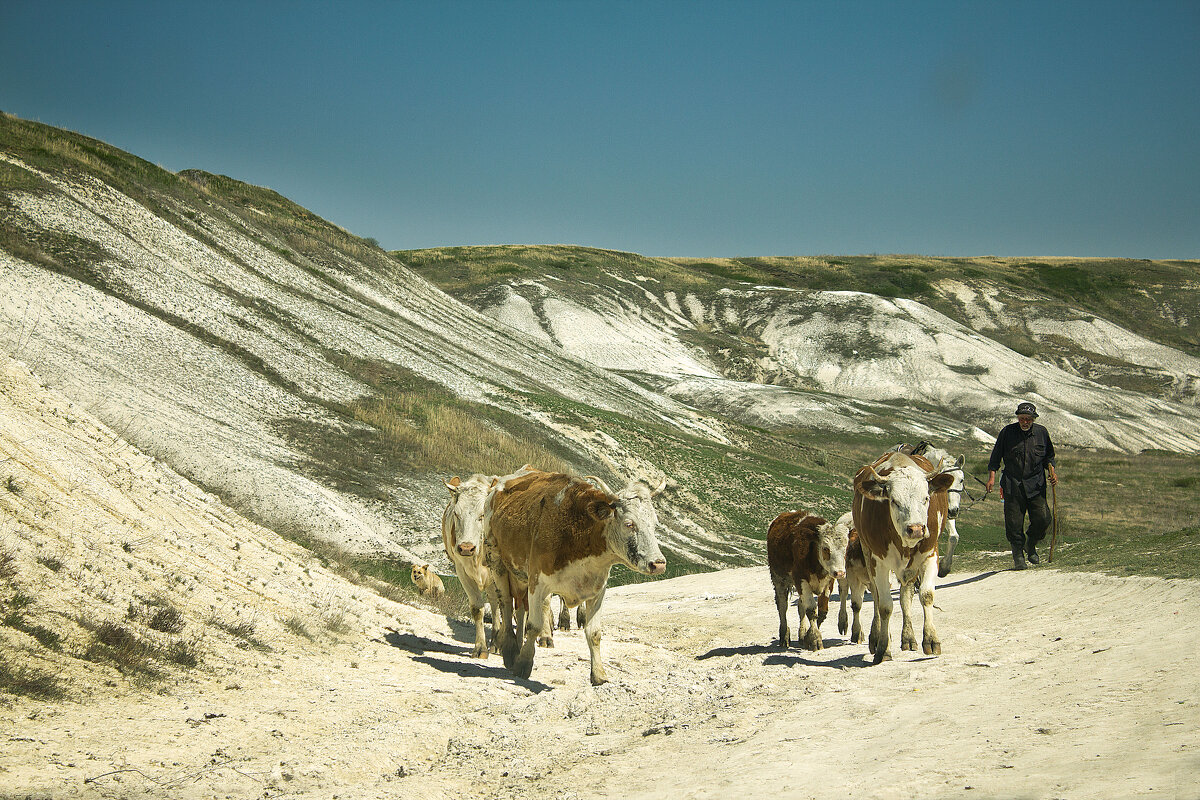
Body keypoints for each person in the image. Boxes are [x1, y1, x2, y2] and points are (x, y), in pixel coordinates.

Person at [985, 401, 1059, 570]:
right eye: (1022, 418)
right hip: (1013, 484)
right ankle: (1018, 555)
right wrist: (991, 478)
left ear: (1033, 419)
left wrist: (1052, 473)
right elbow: (995, 458)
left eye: (1029, 419)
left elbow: (1049, 457)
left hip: (1036, 484)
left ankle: (1031, 544)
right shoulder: (1007, 432)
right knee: (1013, 523)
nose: (1025, 422)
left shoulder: (1042, 433)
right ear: (1018, 418)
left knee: (1043, 518)